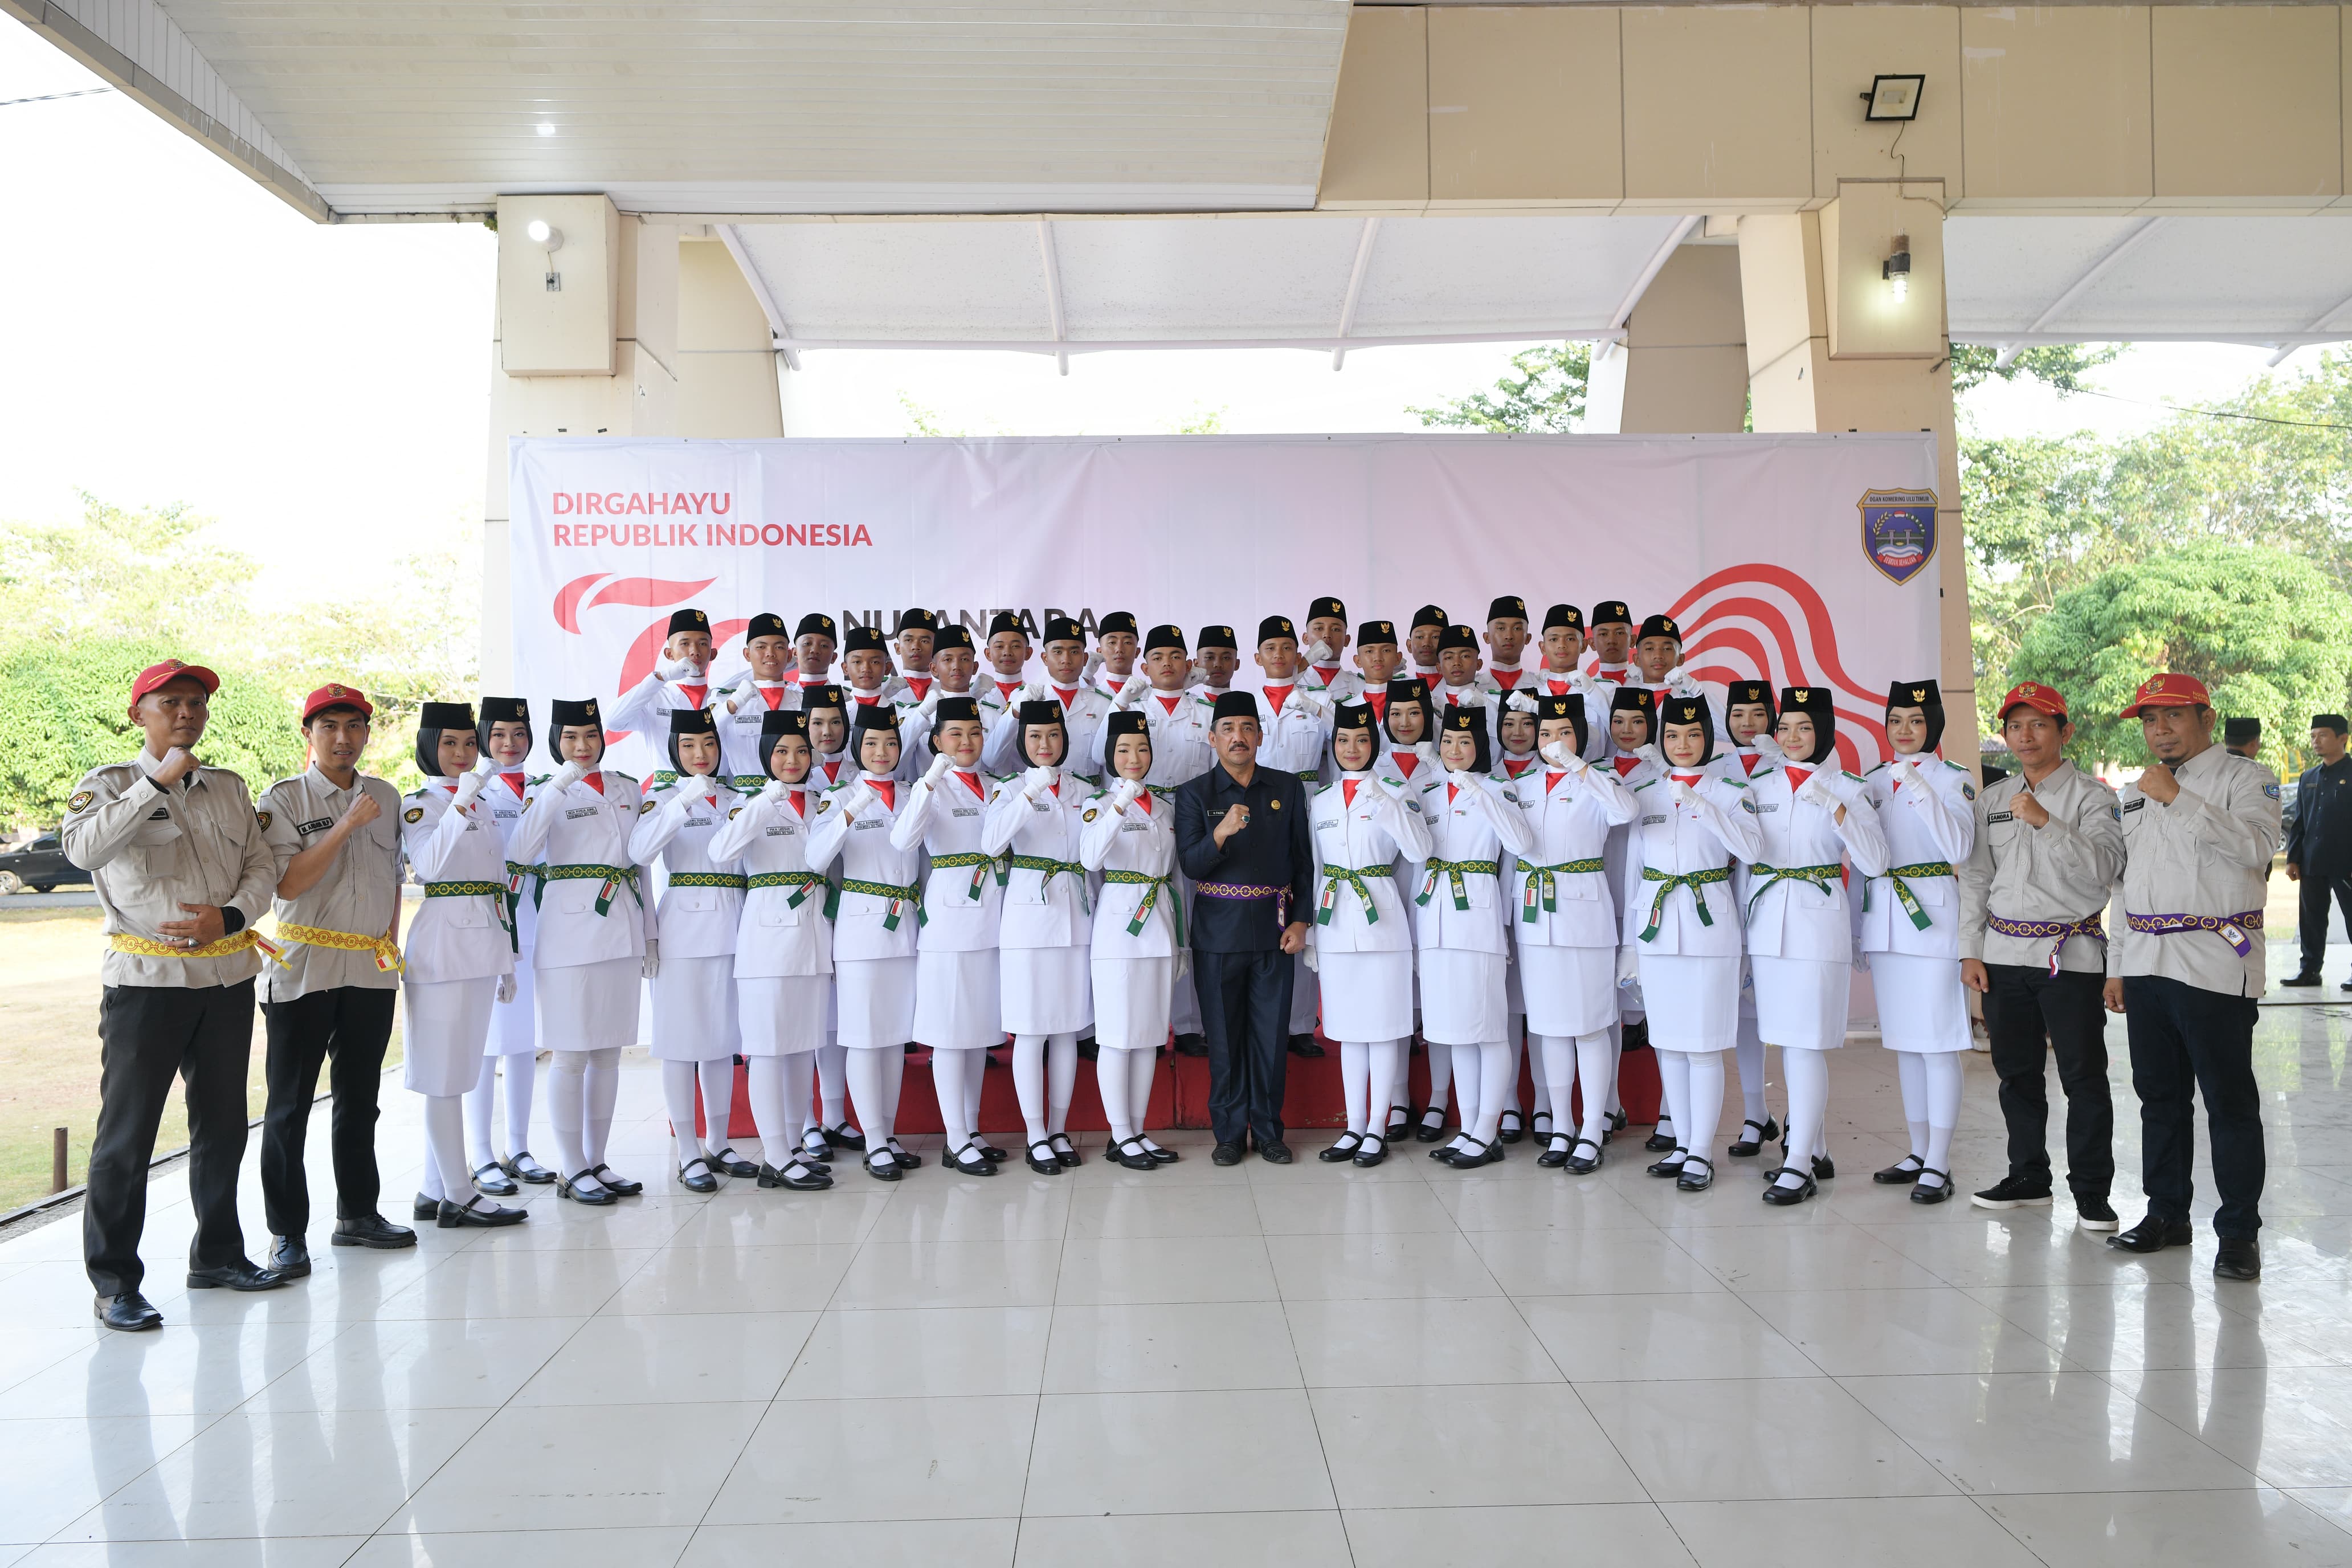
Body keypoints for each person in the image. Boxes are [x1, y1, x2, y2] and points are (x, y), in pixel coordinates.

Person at [66, 659, 289, 1329]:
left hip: (225, 977)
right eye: (171, 702)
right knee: (127, 1135)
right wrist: (153, 784)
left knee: (223, 1125)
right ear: (139, 713)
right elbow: (83, 851)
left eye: (196, 702)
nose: (187, 712)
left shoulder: (228, 787)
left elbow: (260, 866)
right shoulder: (107, 785)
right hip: (146, 985)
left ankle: (218, 1255)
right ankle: (114, 1282)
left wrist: (231, 917)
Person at [2104, 673, 2281, 1281]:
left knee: (2229, 1102)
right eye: (2150, 720)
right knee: (2159, 1099)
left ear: (2206, 718)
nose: (2160, 730)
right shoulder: (2134, 793)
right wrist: (2118, 965)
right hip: (2146, 964)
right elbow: (2126, 883)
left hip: (2213, 965)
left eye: (2173, 716)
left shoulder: (2245, 778)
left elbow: (2256, 849)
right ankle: (2167, 1213)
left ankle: (2238, 1234)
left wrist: (2179, 798)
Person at [256, 684, 413, 1272]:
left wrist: (388, 941)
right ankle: (286, 1233)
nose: (343, 738)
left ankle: (358, 1214)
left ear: (367, 734)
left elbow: (393, 877)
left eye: (354, 727)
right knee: (289, 1106)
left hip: (368, 970)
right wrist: (345, 823)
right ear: (309, 734)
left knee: (360, 1100)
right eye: (330, 727)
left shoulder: (386, 795)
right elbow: (288, 883)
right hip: (305, 968)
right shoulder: (284, 798)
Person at [1958, 681, 2124, 1224]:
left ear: (2064, 731)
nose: (2025, 737)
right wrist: (1970, 951)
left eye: (2038, 725)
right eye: (2015, 727)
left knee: (2083, 1076)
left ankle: (2092, 1192)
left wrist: (2047, 823)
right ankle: (2028, 1176)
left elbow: (2106, 870)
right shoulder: (1992, 800)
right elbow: (1977, 878)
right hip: (2004, 956)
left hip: (2069, 956)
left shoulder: (2093, 798)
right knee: (2017, 1074)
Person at [1740, 687, 1888, 1206]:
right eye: (1785, 727)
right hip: (1767, 924)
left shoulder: (1849, 787)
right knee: (1785, 1040)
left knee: (1806, 1044)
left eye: (1804, 728)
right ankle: (1817, 1149)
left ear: (1824, 732)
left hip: (1817, 926)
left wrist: (1838, 809)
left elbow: (1875, 862)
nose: (1792, 737)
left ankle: (1798, 1162)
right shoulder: (1759, 784)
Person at [509, 696, 652, 1206]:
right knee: (570, 1054)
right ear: (556, 742)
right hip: (569, 934)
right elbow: (521, 851)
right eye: (570, 737)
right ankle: (571, 1167)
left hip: (621, 926)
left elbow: (640, 867)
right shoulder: (544, 790)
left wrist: (651, 934)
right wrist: (560, 785)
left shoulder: (626, 788)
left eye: (591, 735)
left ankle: (597, 1159)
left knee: (608, 1053)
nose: (582, 745)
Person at [1618, 695, 1762, 1193]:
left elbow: (1750, 852)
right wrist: (1629, 946)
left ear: (1708, 739)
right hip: (1656, 928)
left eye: (1694, 734)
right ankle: (1681, 1142)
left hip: (1710, 929)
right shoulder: (1646, 794)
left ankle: (1701, 1150)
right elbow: (1634, 873)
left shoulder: (1731, 793)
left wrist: (1704, 807)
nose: (1683, 744)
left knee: (1703, 1046)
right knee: (1668, 1044)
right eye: (1673, 735)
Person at [397, 701, 526, 1230]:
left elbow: (495, 882)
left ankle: (433, 1190)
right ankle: (458, 1194)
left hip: (481, 945)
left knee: (463, 1072)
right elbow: (428, 865)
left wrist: (506, 959)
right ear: (430, 746)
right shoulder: (420, 804)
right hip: (443, 949)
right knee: (443, 1078)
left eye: (469, 743)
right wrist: (462, 800)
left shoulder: (481, 802)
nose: (461, 753)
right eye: (449, 743)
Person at [1176, 691, 1317, 1165]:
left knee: (1271, 1037)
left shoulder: (1287, 788)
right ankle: (1230, 1133)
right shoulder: (1195, 794)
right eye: (1228, 730)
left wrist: (1301, 919)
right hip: (1218, 934)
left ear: (1260, 736)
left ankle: (1270, 1131)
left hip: (1276, 931)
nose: (1238, 737)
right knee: (1224, 1038)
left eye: (1247, 728)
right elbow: (1191, 865)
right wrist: (1220, 833)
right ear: (1212, 738)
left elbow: (1303, 860)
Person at [1502, 693, 1636, 1172]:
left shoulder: (1599, 781)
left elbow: (1624, 812)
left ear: (1580, 737)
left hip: (1584, 917)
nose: (1552, 743)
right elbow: (1511, 855)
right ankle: (1561, 1125)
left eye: (1563, 734)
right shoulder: (1522, 786)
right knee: (1549, 1026)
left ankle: (1593, 1128)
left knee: (1590, 1025)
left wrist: (1579, 767)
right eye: (1544, 734)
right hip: (1535, 917)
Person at [1858, 680, 1979, 1203]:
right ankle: (1918, 1150)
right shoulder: (1871, 780)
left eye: (1915, 721)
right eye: (1895, 721)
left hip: (1932, 921)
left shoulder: (1954, 779)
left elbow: (1959, 847)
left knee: (1939, 1042)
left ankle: (1940, 1161)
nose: (1904, 730)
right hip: (1885, 918)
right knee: (1905, 1043)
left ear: (1933, 726)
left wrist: (1921, 789)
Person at [704, 708, 834, 1190]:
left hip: (815, 937)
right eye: (781, 751)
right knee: (768, 1050)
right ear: (765, 756)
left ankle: (794, 1145)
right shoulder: (748, 804)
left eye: (801, 751)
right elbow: (722, 852)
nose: (792, 760)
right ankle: (774, 1155)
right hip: (768, 942)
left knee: (802, 1048)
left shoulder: (822, 802)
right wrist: (767, 799)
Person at [629, 709, 754, 1192]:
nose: (700, 754)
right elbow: (641, 854)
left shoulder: (738, 797)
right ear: (673, 750)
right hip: (682, 926)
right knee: (681, 1044)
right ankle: (686, 1148)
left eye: (709, 744)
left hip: (735, 921)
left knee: (722, 1040)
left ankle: (718, 1141)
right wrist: (683, 801)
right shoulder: (661, 798)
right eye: (688, 746)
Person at [1305, 701, 1432, 1166]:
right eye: (1343, 740)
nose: (1352, 748)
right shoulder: (1320, 799)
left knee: (1383, 1031)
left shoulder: (1395, 791)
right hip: (1335, 924)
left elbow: (1419, 851)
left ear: (1374, 745)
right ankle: (1353, 1126)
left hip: (1383, 923)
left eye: (1361, 740)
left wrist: (1384, 802)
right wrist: (1314, 936)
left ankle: (1378, 1128)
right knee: (1348, 1031)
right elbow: (1316, 867)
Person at [1412, 707, 1536, 1169]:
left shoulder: (1499, 789)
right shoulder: (1427, 792)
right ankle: (1468, 1129)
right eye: (1447, 742)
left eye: (1464, 742)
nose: (1454, 750)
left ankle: (1488, 1130)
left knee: (1487, 1029)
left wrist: (1480, 793)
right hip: (1435, 917)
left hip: (1479, 919)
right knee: (1455, 1032)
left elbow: (1519, 846)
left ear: (1480, 746)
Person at [892, 695, 1010, 1176]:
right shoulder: (930, 788)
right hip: (950, 921)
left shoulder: (997, 786)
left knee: (978, 1032)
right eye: (955, 734)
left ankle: (971, 1129)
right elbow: (904, 840)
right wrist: (929, 780)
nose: (966, 742)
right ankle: (955, 1136)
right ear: (937, 741)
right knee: (949, 1032)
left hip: (994, 917)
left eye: (975, 733)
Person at [807, 703, 926, 1179]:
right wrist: (851, 811)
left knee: (894, 1037)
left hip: (907, 925)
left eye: (891, 743)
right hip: (860, 928)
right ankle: (872, 1138)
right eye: (872, 743)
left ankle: (888, 1133)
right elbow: (817, 858)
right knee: (862, 1036)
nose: (882, 752)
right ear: (857, 747)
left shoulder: (913, 792)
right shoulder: (838, 796)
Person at [983, 700, 1096, 1171]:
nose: (1045, 744)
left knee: (1067, 1028)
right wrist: (1031, 792)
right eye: (1034, 736)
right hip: (1030, 920)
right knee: (1031, 1030)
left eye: (1053, 735)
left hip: (1076, 917)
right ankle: (1034, 1134)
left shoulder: (1085, 790)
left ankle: (1059, 1127)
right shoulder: (1009, 789)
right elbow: (992, 843)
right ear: (1021, 741)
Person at [1081, 709, 1186, 1168]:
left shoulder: (1164, 807)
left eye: (1142, 749)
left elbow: (1175, 878)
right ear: (1110, 756)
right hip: (1119, 930)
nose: (1134, 758)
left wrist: (1181, 943)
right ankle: (1120, 1133)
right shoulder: (1098, 804)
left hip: (1160, 927)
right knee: (1117, 1037)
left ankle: (1137, 1131)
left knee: (1148, 1037)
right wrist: (1120, 802)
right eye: (1123, 750)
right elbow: (1090, 858)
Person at [1247, 614, 1336, 1057]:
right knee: (1262, 904)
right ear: (1257, 657)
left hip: (1308, 806)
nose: (1279, 655)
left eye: (1286, 648)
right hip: (1259, 808)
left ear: (1298, 654)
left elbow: (1341, 754)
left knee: (1305, 903)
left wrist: (1318, 707)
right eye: (1271, 648)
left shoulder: (1320, 700)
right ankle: (1261, 1019)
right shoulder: (1248, 705)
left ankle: (1301, 1022)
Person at [471, 697, 552, 1188]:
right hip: (490, 923)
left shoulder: (546, 787)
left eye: (519, 734)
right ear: (484, 737)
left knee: (523, 1039)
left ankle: (517, 1146)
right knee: (485, 1042)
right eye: (499, 734)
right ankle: (480, 1152)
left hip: (538, 921)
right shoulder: (474, 789)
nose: (509, 743)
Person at [1719, 678, 1784, 1155]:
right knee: (1744, 1015)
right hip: (1723, 899)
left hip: (1775, 898)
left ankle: (1804, 1124)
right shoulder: (1713, 764)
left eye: (1758, 714)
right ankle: (1755, 1114)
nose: (1747, 723)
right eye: (1738, 714)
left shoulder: (1790, 761)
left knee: (1783, 1013)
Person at [1382, 676, 1447, 1143]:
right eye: (1396, 714)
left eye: (1415, 713)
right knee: (1393, 997)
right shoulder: (1371, 763)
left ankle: (1440, 1099)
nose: (1405, 722)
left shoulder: (1447, 761)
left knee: (1439, 999)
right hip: (1386, 888)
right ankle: (1399, 1099)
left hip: (1439, 887)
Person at [2283, 713, 2352, 989]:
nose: (2316, 741)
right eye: (2313, 736)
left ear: (2343, 738)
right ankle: (2309, 970)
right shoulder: (2308, 777)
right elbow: (2300, 821)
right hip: (2312, 861)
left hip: (2345, 862)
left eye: (2322, 735)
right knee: (2311, 920)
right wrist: (2293, 859)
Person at [610, 607, 717, 743]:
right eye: (685, 644)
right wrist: (663, 677)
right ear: (669, 654)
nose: (694, 651)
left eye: (702, 644)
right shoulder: (652, 699)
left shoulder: (721, 699)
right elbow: (613, 722)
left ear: (713, 653)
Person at [713, 613, 798, 782]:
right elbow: (706, 734)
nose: (770, 653)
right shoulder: (728, 701)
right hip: (749, 795)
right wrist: (736, 702)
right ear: (747, 654)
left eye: (779, 647)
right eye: (761, 647)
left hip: (792, 795)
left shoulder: (802, 701)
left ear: (789, 656)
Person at [1298, 597, 1360, 704]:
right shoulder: (1294, 680)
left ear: (1347, 640)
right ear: (1306, 638)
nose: (1327, 635)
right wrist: (1305, 661)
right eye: (1319, 628)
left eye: (1336, 629)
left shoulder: (1360, 685)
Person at [1476, 595, 1534, 695]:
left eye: (1517, 628)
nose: (1509, 636)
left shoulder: (1540, 686)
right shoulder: (1474, 687)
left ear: (1528, 638)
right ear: (1487, 637)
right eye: (1501, 628)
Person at [893, 607, 941, 703]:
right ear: (898, 648)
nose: (916, 647)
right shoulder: (885, 693)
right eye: (909, 640)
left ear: (936, 647)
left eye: (924, 641)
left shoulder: (946, 692)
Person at [1585, 601, 1635, 684]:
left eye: (1619, 633)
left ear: (1632, 640)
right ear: (1592, 643)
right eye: (1603, 634)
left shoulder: (1646, 686)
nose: (1612, 641)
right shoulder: (1583, 689)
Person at [1093, 611, 1141, 697]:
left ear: (1137, 652)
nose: (1119, 649)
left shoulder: (1148, 695)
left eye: (1127, 643)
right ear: (1100, 652)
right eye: (1112, 642)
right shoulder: (1092, 696)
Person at [1406, 604, 1448, 685]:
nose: (1427, 644)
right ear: (1409, 646)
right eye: (1420, 637)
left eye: (1436, 637)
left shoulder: (1462, 687)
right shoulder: (1398, 687)